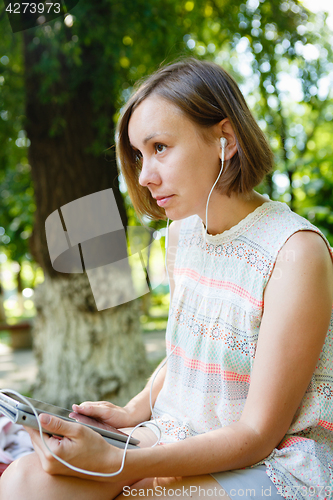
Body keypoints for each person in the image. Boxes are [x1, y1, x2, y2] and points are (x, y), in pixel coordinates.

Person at [1, 58, 333, 500]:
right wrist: (134, 410)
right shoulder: (182, 235)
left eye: (160, 147)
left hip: (272, 461)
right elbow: (186, 348)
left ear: (225, 140)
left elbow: (257, 434)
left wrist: (122, 465)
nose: (144, 176)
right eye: (139, 154)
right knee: (26, 481)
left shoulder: (295, 253)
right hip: (178, 431)